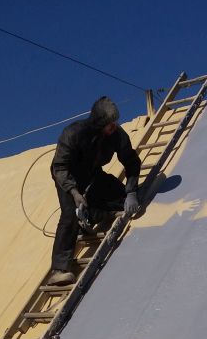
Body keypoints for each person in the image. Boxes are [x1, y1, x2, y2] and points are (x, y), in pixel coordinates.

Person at [48, 96, 142, 285]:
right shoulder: (74, 133)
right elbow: (59, 167)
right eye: (110, 123)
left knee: (120, 197)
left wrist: (131, 192)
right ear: (99, 122)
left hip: (92, 174)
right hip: (68, 177)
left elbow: (131, 161)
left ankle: (90, 216)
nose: (114, 126)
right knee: (70, 215)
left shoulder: (117, 135)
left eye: (115, 122)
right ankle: (59, 270)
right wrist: (74, 192)